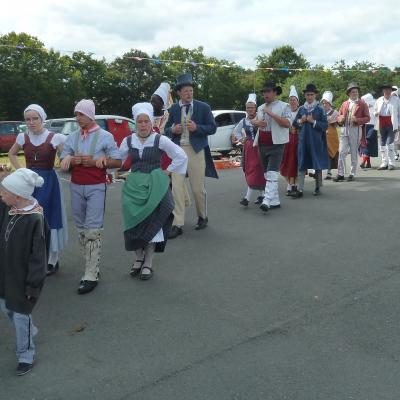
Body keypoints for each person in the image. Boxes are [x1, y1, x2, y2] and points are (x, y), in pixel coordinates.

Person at [119, 103, 187, 280]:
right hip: (134, 186)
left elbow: (181, 155)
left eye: (146, 121)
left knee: (151, 222)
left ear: (151, 123)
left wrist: (169, 171)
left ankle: (148, 262)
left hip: (154, 184)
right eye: (139, 121)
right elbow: (117, 160)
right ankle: (138, 257)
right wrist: (111, 169)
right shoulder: (128, 141)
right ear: (135, 123)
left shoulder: (160, 139)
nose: (142, 125)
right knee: (132, 222)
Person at [60, 99, 121, 294]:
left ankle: (90, 274)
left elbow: (117, 161)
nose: (77, 118)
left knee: (93, 229)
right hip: (76, 185)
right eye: (76, 114)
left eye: (81, 114)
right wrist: (69, 159)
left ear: (90, 115)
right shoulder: (73, 136)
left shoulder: (105, 136)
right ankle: (91, 267)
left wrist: (97, 161)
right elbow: (63, 161)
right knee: (81, 228)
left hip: (96, 186)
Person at [8, 104, 68, 276]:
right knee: (29, 218)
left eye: (35, 118)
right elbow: (12, 154)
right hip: (28, 183)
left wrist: (67, 158)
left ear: (42, 119)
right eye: (28, 119)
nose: (31, 122)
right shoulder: (22, 137)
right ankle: (34, 258)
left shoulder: (55, 138)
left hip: (48, 182)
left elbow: (65, 157)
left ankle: (52, 259)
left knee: (49, 217)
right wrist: (21, 170)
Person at [0, 168, 47, 376]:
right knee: (6, 307)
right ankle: (29, 330)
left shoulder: (34, 220)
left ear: (17, 196)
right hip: (4, 274)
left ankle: (26, 354)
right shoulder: (9, 208)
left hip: (22, 279)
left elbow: (38, 258)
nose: (1, 195)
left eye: (4, 192)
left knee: (20, 315)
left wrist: (32, 286)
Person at [165, 73, 217, 238]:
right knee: (177, 187)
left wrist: (197, 128)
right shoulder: (173, 109)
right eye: (186, 91)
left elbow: (212, 128)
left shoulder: (204, 107)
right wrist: (172, 130)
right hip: (178, 152)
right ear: (179, 93)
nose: (189, 93)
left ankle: (202, 216)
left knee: (197, 189)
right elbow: (165, 130)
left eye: (191, 90)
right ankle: (177, 223)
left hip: (196, 150)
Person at [253, 81, 291, 211]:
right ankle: (275, 201)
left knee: (272, 173)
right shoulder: (260, 107)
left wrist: (271, 114)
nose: (265, 94)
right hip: (262, 143)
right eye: (264, 92)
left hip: (277, 143)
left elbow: (287, 124)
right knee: (266, 174)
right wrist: (258, 123)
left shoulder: (284, 106)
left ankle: (267, 200)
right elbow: (255, 122)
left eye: (268, 91)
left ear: (275, 92)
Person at [291, 83, 328, 198]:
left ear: (315, 95)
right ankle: (300, 189)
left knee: (316, 163)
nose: (309, 97)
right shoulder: (301, 109)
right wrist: (300, 121)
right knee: (301, 163)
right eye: (307, 95)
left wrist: (314, 122)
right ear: (305, 95)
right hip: (303, 141)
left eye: (311, 94)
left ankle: (317, 186)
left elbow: (325, 126)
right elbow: (294, 124)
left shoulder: (320, 109)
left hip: (316, 141)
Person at [232, 93, 265, 206]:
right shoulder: (243, 121)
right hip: (249, 148)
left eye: (251, 107)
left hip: (259, 147)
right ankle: (262, 195)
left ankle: (247, 197)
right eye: (248, 107)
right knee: (251, 170)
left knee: (256, 170)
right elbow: (235, 131)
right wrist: (242, 139)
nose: (250, 109)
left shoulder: (260, 118)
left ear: (255, 108)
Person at [334, 83, 370, 182]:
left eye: (356, 92)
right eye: (353, 92)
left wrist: (357, 120)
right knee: (341, 152)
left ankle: (352, 173)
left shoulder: (362, 104)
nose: (355, 93)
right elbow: (339, 115)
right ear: (349, 93)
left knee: (354, 151)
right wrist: (339, 118)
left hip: (355, 129)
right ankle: (340, 173)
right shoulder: (345, 103)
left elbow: (368, 118)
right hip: (344, 128)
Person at [374, 84, 400, 170]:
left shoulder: (396, 100)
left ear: (391, 91)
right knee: (382, 143)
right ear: (383, 91)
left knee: (389, 143)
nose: (387, 91)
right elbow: (374, 111)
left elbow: (399, 113)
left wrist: (398, 124)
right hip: (381, 123)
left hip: (392, 123)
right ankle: (384, 162)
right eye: (386, 90)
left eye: (389, 90)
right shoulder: (379, 100)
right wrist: (376, 113)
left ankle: (391, 163)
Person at [280, 85, 300, 195]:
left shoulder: (301, 111)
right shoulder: (285, 112)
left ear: (297, 101)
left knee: (295, 162)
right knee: (287, 162)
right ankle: (289, 184)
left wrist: (298, 129)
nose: (292, 102)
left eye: (294, 100)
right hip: (287, 140)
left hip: (298, 140)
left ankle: (295, 185)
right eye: (291, 100)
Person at [320, 91, 339, 180]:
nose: (324, 104)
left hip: (331, 136)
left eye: (326, 103)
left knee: (330, 153)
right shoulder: (320, 112)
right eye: (323, 103)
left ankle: (329, 171)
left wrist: (330, 121)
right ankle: (318, 171)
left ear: (330, 103)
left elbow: (336, 124)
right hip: (321, 134)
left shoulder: (335, 112)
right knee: (321, 152)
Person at [359, 93, 378, 168]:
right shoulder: (363, 107)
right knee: (364, 143)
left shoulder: (375, 106)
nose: (362, 101)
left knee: (368, 141)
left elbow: (376, 115)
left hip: (373, 126)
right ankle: (368, 163)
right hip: (364, 126)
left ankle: (363, 161)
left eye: (364, 100)